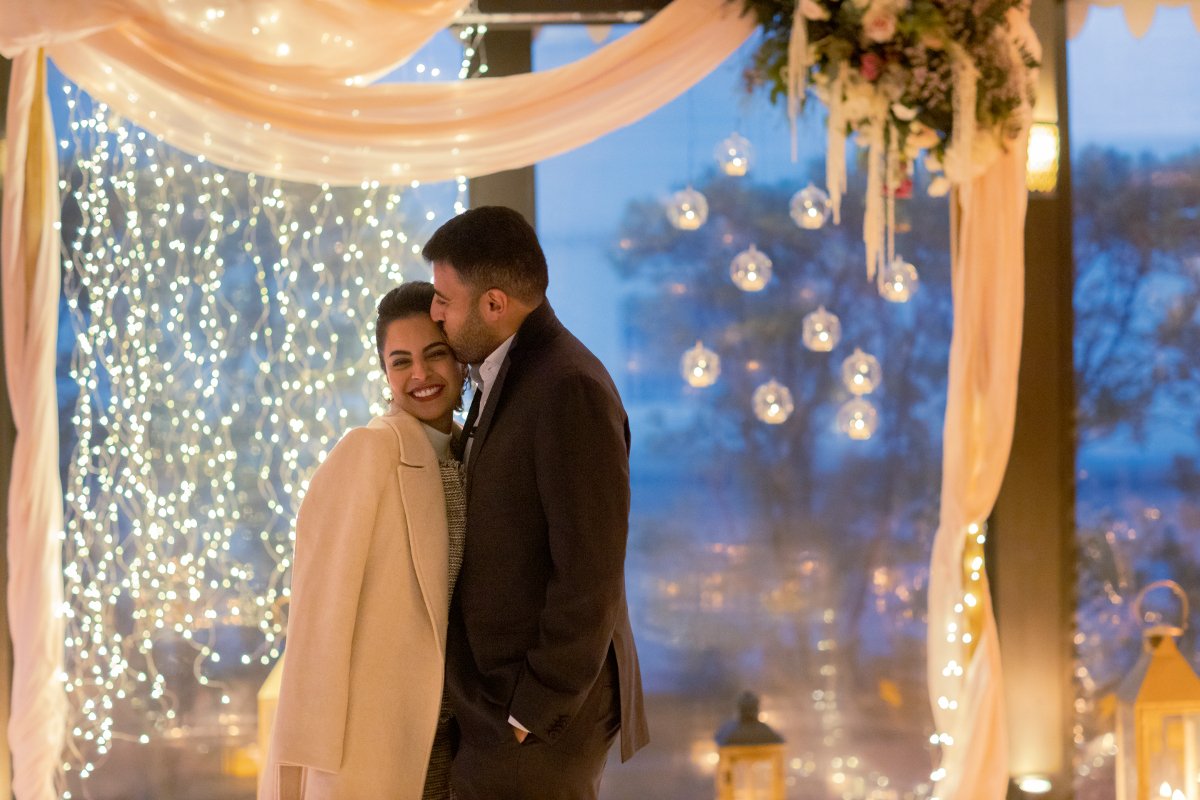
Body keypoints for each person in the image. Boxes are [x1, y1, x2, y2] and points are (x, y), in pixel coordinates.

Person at [425, 206, 650, 800]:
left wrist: (534, 708)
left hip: (539, 712)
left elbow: (591, 569)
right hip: (499, 699)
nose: (435, 313)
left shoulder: (568, 386)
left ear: (494, 304)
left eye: (445, 299)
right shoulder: (506, 371)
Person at [260, 281, 466, 800]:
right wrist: (310, 763)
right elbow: (318, 618)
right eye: (401, 362)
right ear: (384, 373)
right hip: (373, 745)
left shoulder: (471, 451)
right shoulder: (368, 451)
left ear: (460, 360)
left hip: (456, 738)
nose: (420, 375)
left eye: (435, 354)